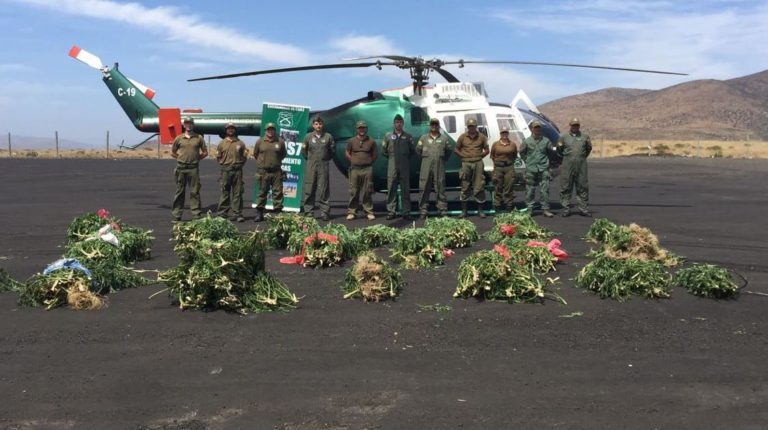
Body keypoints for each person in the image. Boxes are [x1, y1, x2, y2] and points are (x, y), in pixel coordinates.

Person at [170, 116, 208, 222]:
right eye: (186, 123)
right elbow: (173, 152)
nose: (188, 125)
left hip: (193, 168)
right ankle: (176, 215)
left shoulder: (199, 138)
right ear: (184, 125)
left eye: (190, 123)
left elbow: (205, 152)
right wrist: (181, 159)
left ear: (193, 125)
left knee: (194, 192)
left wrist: (196, 159)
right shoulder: (179, 138)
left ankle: (196, 214)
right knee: (179, 192)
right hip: (181, 168)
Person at [416, 118, 452, 219]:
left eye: (436, 124)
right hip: (426, 165)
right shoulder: (423, 138)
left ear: (438, 126)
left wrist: (442, 159)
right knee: (424, 187)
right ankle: (423, 210)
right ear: (430, 126)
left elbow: (449, 151)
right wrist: (425, 159)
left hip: (439, 165)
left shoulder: (444, 138)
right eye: (432, 124)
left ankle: (442, 209)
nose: (434, 126)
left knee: (440, 186)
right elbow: (418, 150)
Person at [454, 118, 489, 218]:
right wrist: (462, 156)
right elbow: (456, 149)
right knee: (465, 186)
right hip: (466, 164)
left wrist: (480, 157)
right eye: (469, 126)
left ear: (476, 126)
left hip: (478, 163)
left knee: (479, 186)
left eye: (473, 126)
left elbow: (487, 150)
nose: (471, 128)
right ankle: (464, 212)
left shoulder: (482, 137)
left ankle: (480, 211)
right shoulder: (462, 137)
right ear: (467, 127)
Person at [301, 115, 334, 221]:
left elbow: (332, 151)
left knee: (324, 190)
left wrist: (324, 159)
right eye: (316, 124)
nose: (318, 126)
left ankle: (325, 213)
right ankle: (309, 212)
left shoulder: (328, 137)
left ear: (322, 125)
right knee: (309, 189)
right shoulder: (308, 137)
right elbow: (304, 152)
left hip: (323, 166)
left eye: (320, 124)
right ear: (313, 125)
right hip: (311, 165)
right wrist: (310, 159)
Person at [382, 113, 415, 220]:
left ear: (403, 124)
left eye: (400, 122)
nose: (398, 124)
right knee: (391, 188)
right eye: (397, 122)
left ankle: (406, 212)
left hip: (404, 167)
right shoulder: (388, 136)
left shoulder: (408, 136)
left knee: (405, 189)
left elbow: (412, 151)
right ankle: (391, 211)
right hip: (392, 166)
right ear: (394, 124)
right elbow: (384, 151)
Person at [253, 122, 287, 222]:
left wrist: (275, 163)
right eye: (268, 129)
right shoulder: (260, 141)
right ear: (266, 131)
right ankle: (259, 214)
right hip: (264, 172)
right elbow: (256, 154)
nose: (270, 131)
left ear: (274, 131)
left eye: (272, 129)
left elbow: (283, 154)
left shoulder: (280, 141)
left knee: (278, 193)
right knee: (262, 193)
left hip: (276, 172)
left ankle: (278, 215)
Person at [519, 121, 554, 217]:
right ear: (532, 129)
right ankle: (529, 209)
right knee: (530, 190)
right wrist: (528, 161)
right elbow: (522, 152)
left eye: (538, 128)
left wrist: (548, 164)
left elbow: (551, 153)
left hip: (543, 168)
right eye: (535, 127)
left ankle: (545, 209)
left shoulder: (546, 141)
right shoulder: (527, 141)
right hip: (531, 169)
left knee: (544, 190)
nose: (537, 129)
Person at [558, 117, 592, 217]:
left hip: (581, 165)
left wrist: (581, 157)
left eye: (577, 125)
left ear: (579, 126)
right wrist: (568, 158)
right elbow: (559, 150)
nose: (575, 127)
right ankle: (566, 209)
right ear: (570, 126)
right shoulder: (563, 137)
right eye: (573, 125)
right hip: (567, 165)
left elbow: (588, 149)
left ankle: (583, 209)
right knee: (566, 186)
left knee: (582, 186)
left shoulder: (585, 137)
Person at [215, 122, 247, 222]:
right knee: (225, 192)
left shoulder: (240, 143)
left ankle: (237, 214)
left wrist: (239, 165)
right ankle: (222, 213)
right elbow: (218, 157)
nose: (231, 130)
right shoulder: (222, 143)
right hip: (226, 171)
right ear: (226, 130)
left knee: (237, 193)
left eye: (232, 128)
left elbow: (244, 156)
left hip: (237, 171)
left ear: (235, 130)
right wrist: (224, 165)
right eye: (229, 128)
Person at [345, 120, 377, 220]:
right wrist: (353, 160)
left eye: (363, 128)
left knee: (368, 190)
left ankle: (368, 211)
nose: (362, 130)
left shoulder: (371, 141)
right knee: (354, 191)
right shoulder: (351, 141)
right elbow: (347, 152)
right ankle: (352, 212)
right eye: (360, 128)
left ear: (366, 129)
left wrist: (368, 161)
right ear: (357, 129)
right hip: (355, 169)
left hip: (367, 169)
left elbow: (375, 154)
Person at [490, 126, 518, 213]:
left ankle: (509, 207)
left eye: (506, 133)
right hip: (498, 168)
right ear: (500, 134)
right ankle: (497, 208)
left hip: (509, 167)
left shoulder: (512, 144)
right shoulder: (495, 144)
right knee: (498, 187)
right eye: (503, 133)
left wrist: (508, 163)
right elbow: (492, 156)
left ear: (508, 133)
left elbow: (514, 155)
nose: (504, 134)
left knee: (508, 188)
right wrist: (498, 163)